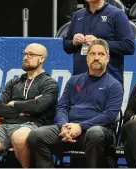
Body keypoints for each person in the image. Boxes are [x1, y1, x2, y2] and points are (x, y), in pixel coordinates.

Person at [28, 39, 124, 168]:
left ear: (107, 58)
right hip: (68, 129)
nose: (96, 58)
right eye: (92, 54)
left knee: (94, 133)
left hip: (97, 131)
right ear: (87, 58)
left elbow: (109, 116)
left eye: (101, 54)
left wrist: (80, 126)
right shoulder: (73, 81)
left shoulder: (114, 85)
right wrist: (63, 126)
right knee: (36, 135)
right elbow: (62, 107)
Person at [63, 0, 135, 85]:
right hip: (80, 80)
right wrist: (73, 42)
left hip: (108, 81)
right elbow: (66, 46)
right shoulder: (78, 15)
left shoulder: (117, 15)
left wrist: (100, 43)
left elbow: (129, 47)